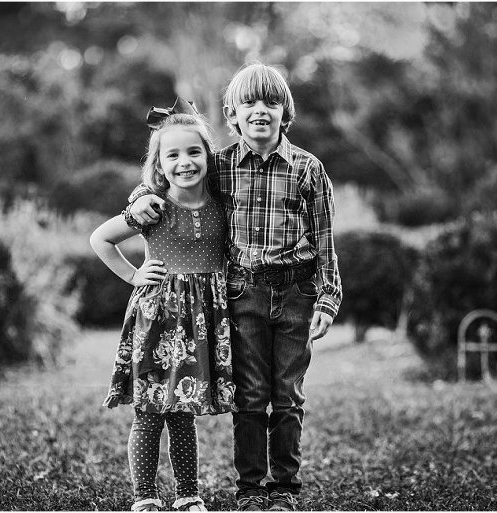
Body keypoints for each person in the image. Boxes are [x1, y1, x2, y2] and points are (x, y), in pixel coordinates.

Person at [127, 63, 342, 511]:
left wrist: (328, 297)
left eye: (271, 102)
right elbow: (169, 182)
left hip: (298, 293)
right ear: (232, 114)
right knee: (250, 396)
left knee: (286, 396)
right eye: (249, 103)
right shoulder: (219, 165)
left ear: (286, 112)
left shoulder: (308, 169)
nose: (260, 110)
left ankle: (283, 486)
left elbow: (325, 243)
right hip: (241, 293)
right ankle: (249, 487)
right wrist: (138, 200)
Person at [89, 100, 237, 512]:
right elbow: (101, 239)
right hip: (158, 319)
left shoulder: (223, 204)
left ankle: (188, 494)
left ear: (208, 156)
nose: (184, 162)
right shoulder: (151, 206)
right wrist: (134, 275)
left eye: (194, 152)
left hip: (202, 321)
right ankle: (145, 497)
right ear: (158, 164)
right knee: (151, 409)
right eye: (172, 155)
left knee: (182, 409)